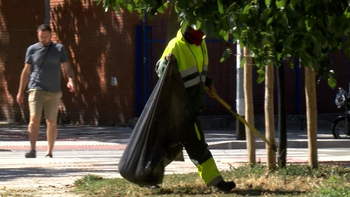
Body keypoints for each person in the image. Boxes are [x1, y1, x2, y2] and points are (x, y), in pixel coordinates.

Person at [155, 25, 236, 191]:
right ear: (188, 27)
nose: (204, 30)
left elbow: (199, 71)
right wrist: (166, 63)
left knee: (173, 146)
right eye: (199, 26)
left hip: (192, 105)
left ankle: (147, 174)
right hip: (180, 107)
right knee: (197, 144)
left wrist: (208, 83)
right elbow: (159, 69)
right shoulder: (175, 45)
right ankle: (216, 182)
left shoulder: (201, 43)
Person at [16, 24, 75, 158]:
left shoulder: (59, 49)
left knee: (51, 121)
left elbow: (67, 68)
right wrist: (20, 91)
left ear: (50, 35)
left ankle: (49, 152)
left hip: (54, 91)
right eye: (40, 37)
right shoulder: (32, 49)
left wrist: (70, 80)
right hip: (36, 88)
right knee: (34, 118)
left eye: (45, 36)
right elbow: (26, 72)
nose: (43, 39)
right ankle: (32, 150)